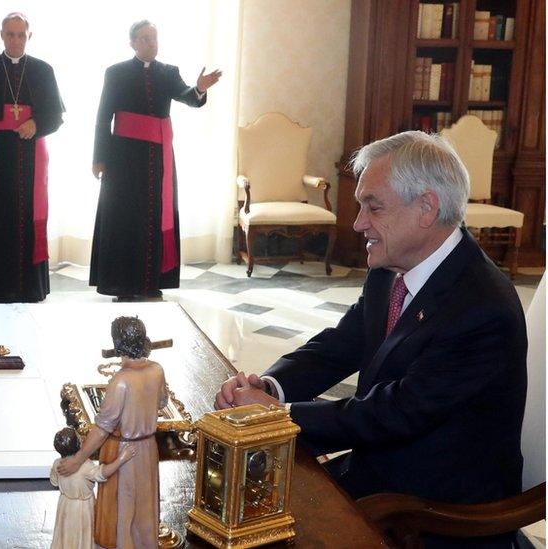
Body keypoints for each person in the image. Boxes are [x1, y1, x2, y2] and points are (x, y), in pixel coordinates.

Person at [214, 131, 527, 548]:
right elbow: (339, 345)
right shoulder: (392, 267)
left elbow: (396, 411)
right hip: (382, 469)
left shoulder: (481, 308)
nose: (358, 222)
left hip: (437, 512)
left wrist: (278, 416)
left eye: (372, 207)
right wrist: (269, 387)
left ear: (426, 208)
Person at [89, 20, 221, 301]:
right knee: (124, 217)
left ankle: (151, 282)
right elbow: (103, 117)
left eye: (154, 38)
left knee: (154, 217)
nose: (152, 43)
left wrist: (199, 88)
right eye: (145, 38)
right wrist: (99, 158)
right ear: (133, 43)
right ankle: (122, 284)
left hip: (157, 160)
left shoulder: (168, 72)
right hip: (123, 158)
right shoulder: (116, 73)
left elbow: (189, 98)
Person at [0, 12, 65, 303]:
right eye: (10, 34)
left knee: (30, 222)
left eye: (21, 34)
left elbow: (56, 118)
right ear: (2, 35)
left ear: (29, 35)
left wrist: (37, 124)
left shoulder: (43, 71)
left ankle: (31, 289)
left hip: (31, 161)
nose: (15, 39)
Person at [57, 316, 168, 549]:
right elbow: (161, 402)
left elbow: (101, 428)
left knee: (124, 509)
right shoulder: (157, 370)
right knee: (146, 506)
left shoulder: (120, 381)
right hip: (149, 448)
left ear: (118, 344)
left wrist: (78, 459)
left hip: (124, 450)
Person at [49, 427, 135, 549]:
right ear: (78, 444)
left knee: (66, 532)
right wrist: (121, 459)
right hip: (82, 507)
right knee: (82, 533)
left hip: (65, 504)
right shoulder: (85, 466)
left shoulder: (57, 463)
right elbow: (103, 473)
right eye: (80, 438)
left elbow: (54, 482)